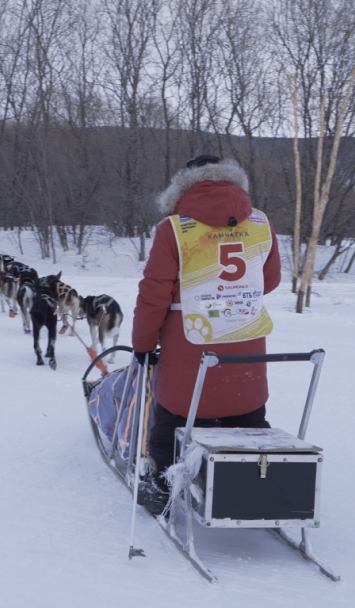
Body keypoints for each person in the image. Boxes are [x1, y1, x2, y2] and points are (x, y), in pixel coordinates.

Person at [131, 155, 282, 514]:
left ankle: (163, 485)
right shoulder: (261, 223)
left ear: (182, 185)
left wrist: (142, 345)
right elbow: (270, 279)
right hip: (245, 345)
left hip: (189, 348)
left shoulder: (175, 229)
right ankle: (258, 481)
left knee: (172, 418)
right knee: (246, 412)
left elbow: (154, 296)